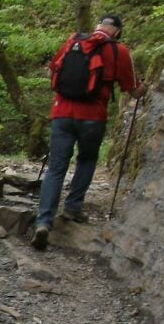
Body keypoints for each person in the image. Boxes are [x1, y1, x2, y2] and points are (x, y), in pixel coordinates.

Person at [32, 14, 146, 250]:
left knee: (56, 167)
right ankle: (73, 208)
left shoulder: (73, 41)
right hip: (93, 117)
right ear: (116, 31)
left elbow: (52, 73)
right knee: (87, 159)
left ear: (97, 27)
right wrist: (145, 87)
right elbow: (133, 91)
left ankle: (43, 222)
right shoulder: (118, 51)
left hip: (62, 113)